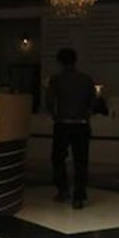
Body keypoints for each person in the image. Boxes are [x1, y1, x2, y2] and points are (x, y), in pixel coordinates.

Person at [45, 47, 98, 209]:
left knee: (58, 158)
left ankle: (63, 189)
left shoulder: (56, 80)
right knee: (80, 160)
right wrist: (86, 115)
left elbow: (49, 102)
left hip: (63, 124)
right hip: (81, 125)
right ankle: (79, 196)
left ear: (60, 62)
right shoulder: (86, 79)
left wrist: (55, 116)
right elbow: (93, 102)